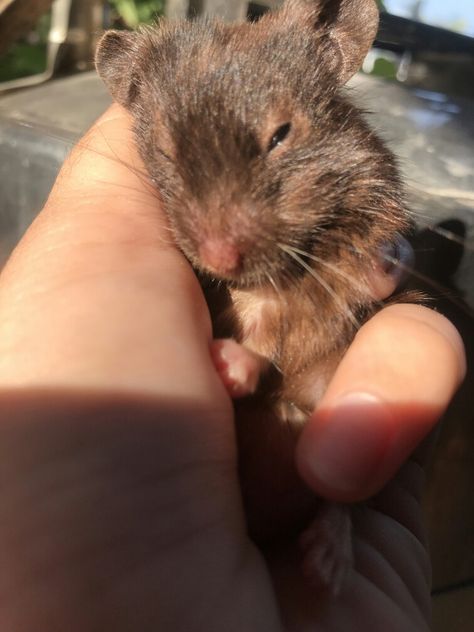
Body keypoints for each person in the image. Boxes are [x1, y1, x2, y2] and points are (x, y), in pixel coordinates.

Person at [0, 106, 465, 631]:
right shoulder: (148, 143)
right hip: (204, 498)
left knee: (331, 400)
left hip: (309, 517)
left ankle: (337, 514)